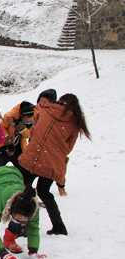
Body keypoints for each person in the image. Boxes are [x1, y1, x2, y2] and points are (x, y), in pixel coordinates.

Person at [18, 93, 90, 236]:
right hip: (51, 163)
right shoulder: (75, 122)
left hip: (33, 157)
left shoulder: (45, 111)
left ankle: (22, 226)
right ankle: (58, 226)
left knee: (24, 188)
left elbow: (33, 132)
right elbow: (68, 148)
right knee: (44, 192)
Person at [0, 101, 37, 186]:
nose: (29, 122)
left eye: (30, 121)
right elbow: (1, 129)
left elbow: (28, 134)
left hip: (18, 150)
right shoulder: (11, 116)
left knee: (24, 172)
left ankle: (25, 190)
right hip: (3, 148)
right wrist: (9, 143)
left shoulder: (34, 120)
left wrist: (18, 124)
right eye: (26, 121)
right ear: (21, 116)